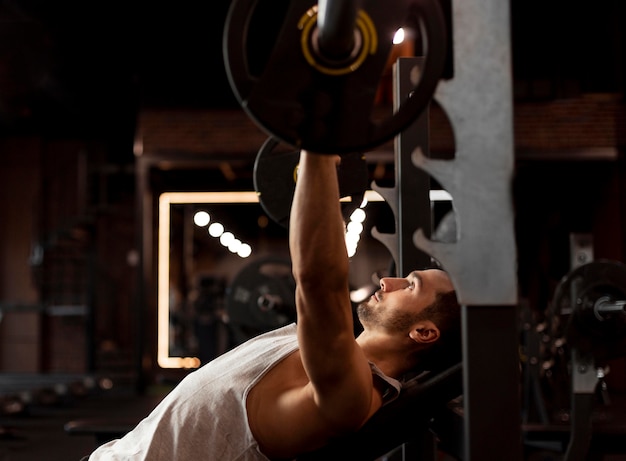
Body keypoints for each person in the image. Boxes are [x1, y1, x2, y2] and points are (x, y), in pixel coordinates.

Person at [83, 151, 461, 461]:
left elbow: (317, 279)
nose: (387, 280)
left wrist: (318, 149)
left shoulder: (352, 393)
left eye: (411, 285)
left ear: (424, 332)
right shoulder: (328, 353)